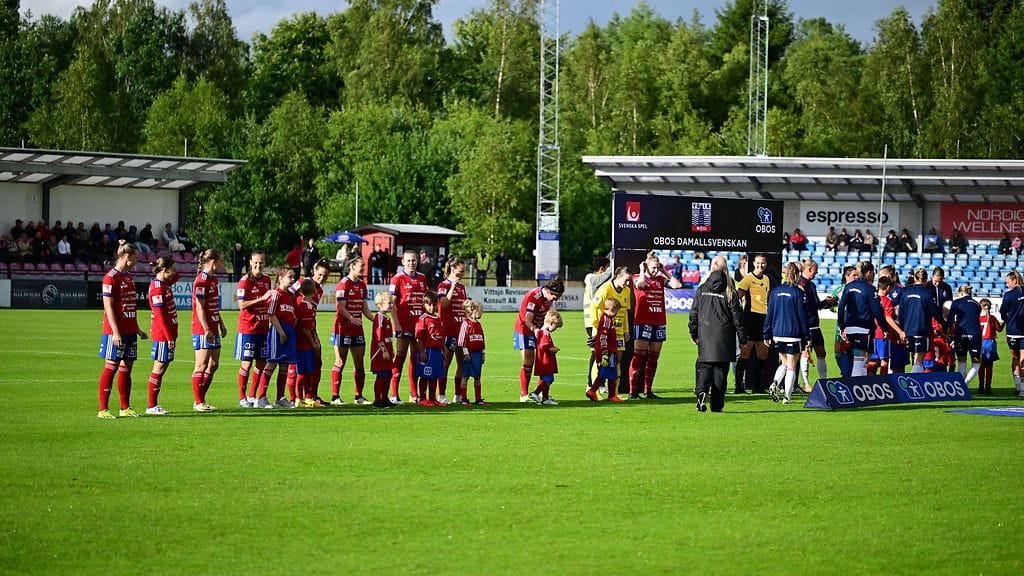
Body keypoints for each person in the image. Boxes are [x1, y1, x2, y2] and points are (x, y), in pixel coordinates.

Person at [96, 243, 148, 419]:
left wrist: (138, 329)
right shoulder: (110, 278)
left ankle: (125, 408)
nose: (137, 261)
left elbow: (129, 305)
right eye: (136, 258)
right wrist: (115, 332)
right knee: (111, 366)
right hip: (114, 332)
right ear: (128, 257)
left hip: (130, 330)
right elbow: (108, 307)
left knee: (127, 367)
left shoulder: (128, 277)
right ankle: (103, 409)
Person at [689, 256, 747, 412]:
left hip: (705, 333)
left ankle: (701, 392)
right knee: (720, 371)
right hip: (724, 336)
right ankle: (716, 405)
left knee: (705, 365)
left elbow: (694, 313)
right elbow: (737, 317)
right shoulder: (730, 290)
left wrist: (693, 332)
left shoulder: (702, 288)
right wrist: (742, 338)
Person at [630, 250, 682, 399]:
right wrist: (642, 270)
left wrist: (664, 271)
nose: (655, 270)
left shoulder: (660, 279)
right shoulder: (636, 277)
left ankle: (648, 390)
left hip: (658, 322)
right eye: (653, 267)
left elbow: (677, 285)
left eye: (657, 267)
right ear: (646, 265)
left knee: (654, 358)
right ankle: (633, 392)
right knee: (638, 357)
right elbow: (640, 285)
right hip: (642, 322)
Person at [764, 262, 809, 404]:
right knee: (791, 366)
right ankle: (787, 397)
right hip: (793, 334)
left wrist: (766, 333)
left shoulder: (775, 291)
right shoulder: (798, 292)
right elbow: (802, 317)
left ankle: (775, 383)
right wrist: (807, 336)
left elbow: (769, 313)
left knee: (784, 363)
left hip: (777, 333)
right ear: (796, 275)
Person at [331, 256, 374, 405]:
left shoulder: (362, 285)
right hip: (342, 329)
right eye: (361, 266)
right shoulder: (343, 284)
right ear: (352, 266)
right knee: (340, 361)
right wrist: (352, 318)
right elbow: (341, 308)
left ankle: (359, 396)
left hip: (357, 329)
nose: (363, 268)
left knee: (359, 363)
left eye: (364, 266)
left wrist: (377, 320)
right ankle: (335, 397)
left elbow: (365, 309)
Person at [514, 276, 565, 401]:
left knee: (543, 361)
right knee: (528, 361)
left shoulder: (549, 299)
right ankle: (524, 394)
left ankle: (541, 393)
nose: (555, 300)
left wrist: (544, 331)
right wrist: (536, 330)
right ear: (549, 292)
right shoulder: (534, 297)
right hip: (525, 329)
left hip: (538, 330)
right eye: (554, 297)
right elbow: (527, 320)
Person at [255, 268, 299, 409]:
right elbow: (272, 315)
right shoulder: (276, 295)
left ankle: (280, 398)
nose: (292, 279)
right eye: (289, 277)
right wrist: (281, 333)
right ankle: (261, 397)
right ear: (281, 278)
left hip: (289, 331)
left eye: (294, 277)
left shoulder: (291, 295)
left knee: (285, 365)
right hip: (278, 331)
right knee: (272, 363)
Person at [288, 259, 330, 406]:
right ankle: (294, 398)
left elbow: (311, 314)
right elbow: (287, 293)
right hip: (297, 330)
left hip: (310, 327)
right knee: (296, 366)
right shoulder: (301, 282)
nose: (321, 278)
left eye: (325, 276)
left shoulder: (320, 290)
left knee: (316, 361)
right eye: (319, 274)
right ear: (314, 271)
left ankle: (311, 395)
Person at [389, 249, 428, 404]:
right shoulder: (397, 279)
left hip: (418, 325)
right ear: (403, 262)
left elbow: (425, 302)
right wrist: (396, 323)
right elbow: (392, 304)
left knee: (415, 359)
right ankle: (394, 394)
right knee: (400, 357)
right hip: (403, 324)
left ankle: (413, 394)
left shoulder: (422, 278)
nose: (412, 263)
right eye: (409, 260)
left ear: (417, 262)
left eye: (414, 260)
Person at [191, 249, 227, 412]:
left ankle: (201, 399)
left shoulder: (213, 279)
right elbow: (200, 307)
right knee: (202, 364)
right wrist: (206, 329)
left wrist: (221, 323)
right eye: (221, 261)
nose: (222, 264)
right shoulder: (201, 280)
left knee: (213, 364)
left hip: (213, 326)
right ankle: (199, 402)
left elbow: (213, 305)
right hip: (203, 329)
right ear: (213, 262)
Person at [235, 251, 273, 408]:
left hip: (263, 329)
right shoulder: (244, 281)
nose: (259, 265)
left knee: (261, 363)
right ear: (250, 263)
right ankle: (242, 397)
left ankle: (253, 396)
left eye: (262, 262)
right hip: (248, 329)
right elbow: (241, 305)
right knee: (247, 363)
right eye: (256, 262)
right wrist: (261, 299)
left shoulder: (267, 280)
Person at [837, 261, 887, 377]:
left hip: (849, 328)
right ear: (868, 273)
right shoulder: (870, 289)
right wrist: (884, 328)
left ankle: (859, 386)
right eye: (873, 272)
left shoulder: (848, 286)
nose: (874, 275)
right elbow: (877, 311)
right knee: (860, 361)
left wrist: (842, 325)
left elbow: (841, 307)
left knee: (861, 360)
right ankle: (855, 390)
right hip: (863, 328)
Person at [590, 267, 633, 396]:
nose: (627, 283)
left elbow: (624, 311)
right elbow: (594, 307)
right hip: (603, 331)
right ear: (617, 276)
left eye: (629, 281)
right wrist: (597, 327)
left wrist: (626, 330)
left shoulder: (627, 291)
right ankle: (594, 390)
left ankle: (613, 392)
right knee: (600, 360)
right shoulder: (605, 288)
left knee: (616, 362)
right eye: (625, 280)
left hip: (618, 332)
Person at [146, 256, 179, 415]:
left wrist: (171, 268)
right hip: (162, 335)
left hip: (168, 334)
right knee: (158, 367)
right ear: (164, 271)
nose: (174, 273)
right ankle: (152, 405)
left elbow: (176, 276)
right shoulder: (158, 288)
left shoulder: (165, 283)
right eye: (171, 270)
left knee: (163, 366)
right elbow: (160, 316)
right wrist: (168, 336)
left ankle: (154, 405)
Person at [898, 268, 948, 374]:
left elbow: (901, 314)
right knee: (919, 361)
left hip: (908, 330)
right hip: (922, 330)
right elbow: (935, 313)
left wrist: (902, 329)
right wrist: (944, 325)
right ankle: (914, 384)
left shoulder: (905, 293)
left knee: (915, 359)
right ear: (926, 280)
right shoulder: (927, 294)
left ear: (915, 278)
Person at [797, 260, 835, 390]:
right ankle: (806, 383)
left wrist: (826, 303)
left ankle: (823, 381)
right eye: (815, 271)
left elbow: (816, 305)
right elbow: (808, 305)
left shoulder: (811, 285)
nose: (816, 273)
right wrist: (825, 302)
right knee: (805, 353)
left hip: (815, 324)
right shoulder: (801, 284)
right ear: (810, 269)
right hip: (806, 325)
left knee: (821, 352)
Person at [736, 254, 771, 393]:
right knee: (745, 353)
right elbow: (738, 296)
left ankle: (757, 386)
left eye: (762, 263)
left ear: (766, 264)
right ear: (753, 264)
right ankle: (739, 386)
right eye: (757, 263)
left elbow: (766, 299)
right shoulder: (748, 279)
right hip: (750, 319)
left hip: (763, 319)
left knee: (763, 353)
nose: (760, 265)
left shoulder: (767, 279)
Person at [437, 257, 468, 405]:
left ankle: (458, 395)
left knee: (462, 362)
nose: (463, 273)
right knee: (445, 362)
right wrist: (452, 288)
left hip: (461, 330)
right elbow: (443, 304)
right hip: (447, 330)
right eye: (461, 270)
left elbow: (463, 307)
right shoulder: (443, 285)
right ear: (452, 269)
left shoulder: (462, 287)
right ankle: (441, 394)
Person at [586, 299, 623, 403]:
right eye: (617, 312)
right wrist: (605, 353)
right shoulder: (606, 320)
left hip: (607, 351)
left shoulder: (608, 319)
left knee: (605, 373)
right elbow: (603, 337)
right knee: (611, 373)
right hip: (607, 352)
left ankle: (593, 391)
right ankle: (609, 395)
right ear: (613, 309)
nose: (617, 314)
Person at [584, 257, 612, 391]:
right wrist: (615, 264)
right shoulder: (590, 278)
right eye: (607, 268)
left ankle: (600, 383)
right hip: (592, 322)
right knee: (596, 352)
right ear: (602, 269)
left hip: (599, 322)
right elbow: (604, 278)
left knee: (603, 351)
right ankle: (591, 383)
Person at [293, 279, 321, 409]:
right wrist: (313, 343)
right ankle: (306, 398)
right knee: (308, 372)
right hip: (305, 345)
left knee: (301, 372)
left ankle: (299, 398)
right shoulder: (307, 306)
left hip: (297, 343)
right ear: (314, 291)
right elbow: (306, 328)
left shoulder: (297, 302)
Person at [415, 291, 445, 406]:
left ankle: (432, 399)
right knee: (425, 375)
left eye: (434, 304)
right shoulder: (423, 319)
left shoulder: (438, 319)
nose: (432, 307)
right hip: (427, 351)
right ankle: (422, 398)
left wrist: (443, 351)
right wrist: (422, 351)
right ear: (424, 305)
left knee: (435, 376)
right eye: (429, 304)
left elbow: (441, 336)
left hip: (437, 352)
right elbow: (419, 338)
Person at [948, 285, 982, 385]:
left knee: (962, 361)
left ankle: (962, 386)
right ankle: (965, 384)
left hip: (960, 334)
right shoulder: (977, 304)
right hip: (975, 334)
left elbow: (950, 320)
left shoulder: (956, 302)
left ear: (960, 293)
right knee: (976, 363)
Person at [873, 276, 906, 376]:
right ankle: (883, 383)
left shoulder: (872, 298)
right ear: (888, 288)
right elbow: (888, 318)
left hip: (871, 334)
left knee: (872, 361)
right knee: (884, 360)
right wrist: (900, 331)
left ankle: (868, 381)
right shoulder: (887, 301)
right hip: (883, 335)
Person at [999, 270, 1024, 397]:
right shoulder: (1009, 295)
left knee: (1019, 359)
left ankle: (1021, 388)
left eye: (1007, 282)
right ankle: (1020, 388)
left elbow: (1003, 314)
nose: (1006, 285)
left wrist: (1008, 317)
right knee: (1018, 359)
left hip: (1015, 331)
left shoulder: (1009, 296)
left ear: (1014, 280)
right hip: (1014, 332)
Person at [457, 299, 487, 406]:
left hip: (477, 355)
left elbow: (482, 340)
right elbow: (461, 341)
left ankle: (478, 399)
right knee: (465, 377)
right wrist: (466, 353)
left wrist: (483, 353)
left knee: (477, 377)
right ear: (474, 310)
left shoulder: (478, 325)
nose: (482, 312)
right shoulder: (466, 324)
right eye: (481, 310)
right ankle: (463, 399)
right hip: (469, 355)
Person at [531, 310, 563, 405]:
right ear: (551, 323)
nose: (555, 329)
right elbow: (543, 345)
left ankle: (545, 398)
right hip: (545, 361)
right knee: (549, 379)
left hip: (545, 361)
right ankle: (535, 393)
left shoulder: (544, 332)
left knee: (545, 379)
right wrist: (552, 349)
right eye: (555, 327)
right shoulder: (544, 333)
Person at [369, 292, 396, 408]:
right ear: (380, 304)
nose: (391, 305)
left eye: (392, 302)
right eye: (389, 303)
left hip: (387, 351)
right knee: (381, 375)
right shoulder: (379, 318)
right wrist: (384, 350)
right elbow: (378, 336)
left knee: (388, 375)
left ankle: (385, 398)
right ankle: (377, 399)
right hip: (379, 352)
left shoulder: (386, 317)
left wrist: (391, 350)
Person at [978, 298, 1001, 395]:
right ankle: (988, 386)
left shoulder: (977, 318)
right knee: (989, 366)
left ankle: (980, 386)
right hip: (990, 342)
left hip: (980, 342)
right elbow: (999, 329)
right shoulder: (992, 318)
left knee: (980, 365)